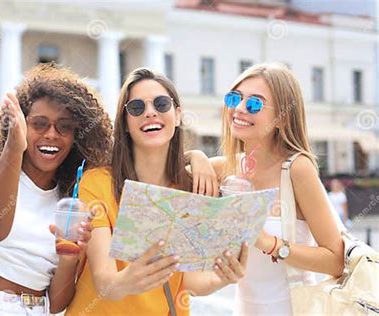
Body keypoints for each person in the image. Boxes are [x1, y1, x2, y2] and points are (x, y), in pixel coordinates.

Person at [64, 68, 248, 315]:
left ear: (178, 115)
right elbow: (105, 281)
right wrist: (127, 279)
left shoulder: (190, 188)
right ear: (126, 123)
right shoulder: (97, 183)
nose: (150, 112)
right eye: (137, 108)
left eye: (161, 104)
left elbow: (190, 281)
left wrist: (223, 278)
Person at [0, 63, 113, 315]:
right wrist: (14, 147)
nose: (51, 134)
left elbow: (57, 303)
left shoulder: (68, 203)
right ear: (20, 126)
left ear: (77, 137)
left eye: (64, 126)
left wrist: (69, 254)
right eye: (39, 124)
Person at [208, 63, 344, 315]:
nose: (238, 109)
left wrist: (266, 242)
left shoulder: (296, 169)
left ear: (282, 118)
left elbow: (336, 261)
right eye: (234, 98)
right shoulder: (220, 169)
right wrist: (194, 156)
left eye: (254, 104)